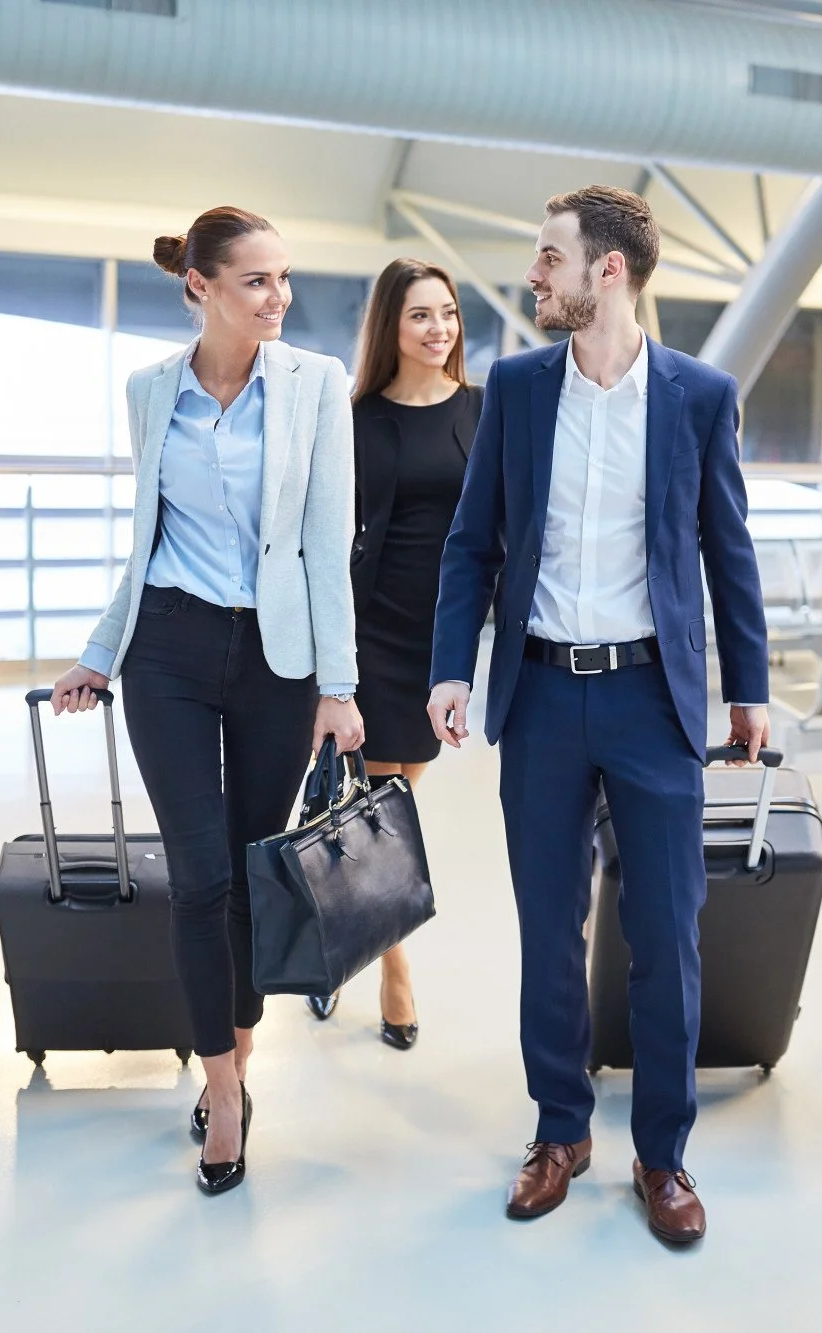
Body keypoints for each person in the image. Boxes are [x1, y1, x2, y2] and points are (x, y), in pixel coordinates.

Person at [427, 186, 769, 1247]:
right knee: (547, 929)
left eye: (548, 258)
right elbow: (470, 544)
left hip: (649, 698)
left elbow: (727, 547)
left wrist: (747, 686)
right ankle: (558, 1129)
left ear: (606, 270)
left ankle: (661, 1155)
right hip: (536, 693)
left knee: (667, 934)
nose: (536, 275)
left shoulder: (699, 396)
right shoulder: (519, 389)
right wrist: (452, 668)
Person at [48, 206, 363, 1197]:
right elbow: (143, 540)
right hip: (172, 649)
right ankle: (222, 1094)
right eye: (255, 282)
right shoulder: (149, 391)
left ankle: (238, 1044)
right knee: (197, 877)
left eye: (283, 278)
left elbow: (325, 543)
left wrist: (340, 686)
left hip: (277, 660)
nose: (279, 298)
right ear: (199, 288)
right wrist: (100, 652)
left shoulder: (315, 386)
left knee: (245, 867)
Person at [308, 259, 482, 1050]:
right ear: (392, 326)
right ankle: (392, 965)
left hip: (445, 631)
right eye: (420, 316)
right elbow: (329, 530)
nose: (439, 329)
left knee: (392, 794)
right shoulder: (357, 417)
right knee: (385, 804)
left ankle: (349, 915)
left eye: (447, 313)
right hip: (373, 627)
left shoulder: (484, 409)